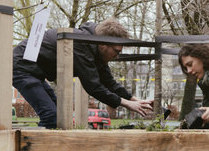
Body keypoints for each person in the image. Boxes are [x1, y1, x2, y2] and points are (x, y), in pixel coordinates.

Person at [13, 18, 153, 128]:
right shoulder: (81, 44)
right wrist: (127, 104)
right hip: (22, 67)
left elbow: (109, 83)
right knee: (52, 117)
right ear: (103, 44)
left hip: (35, 72)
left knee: (61, 117)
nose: (117, 56)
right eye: (116, 51)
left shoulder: (94, 49)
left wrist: (136, 101)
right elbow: (93, 87)